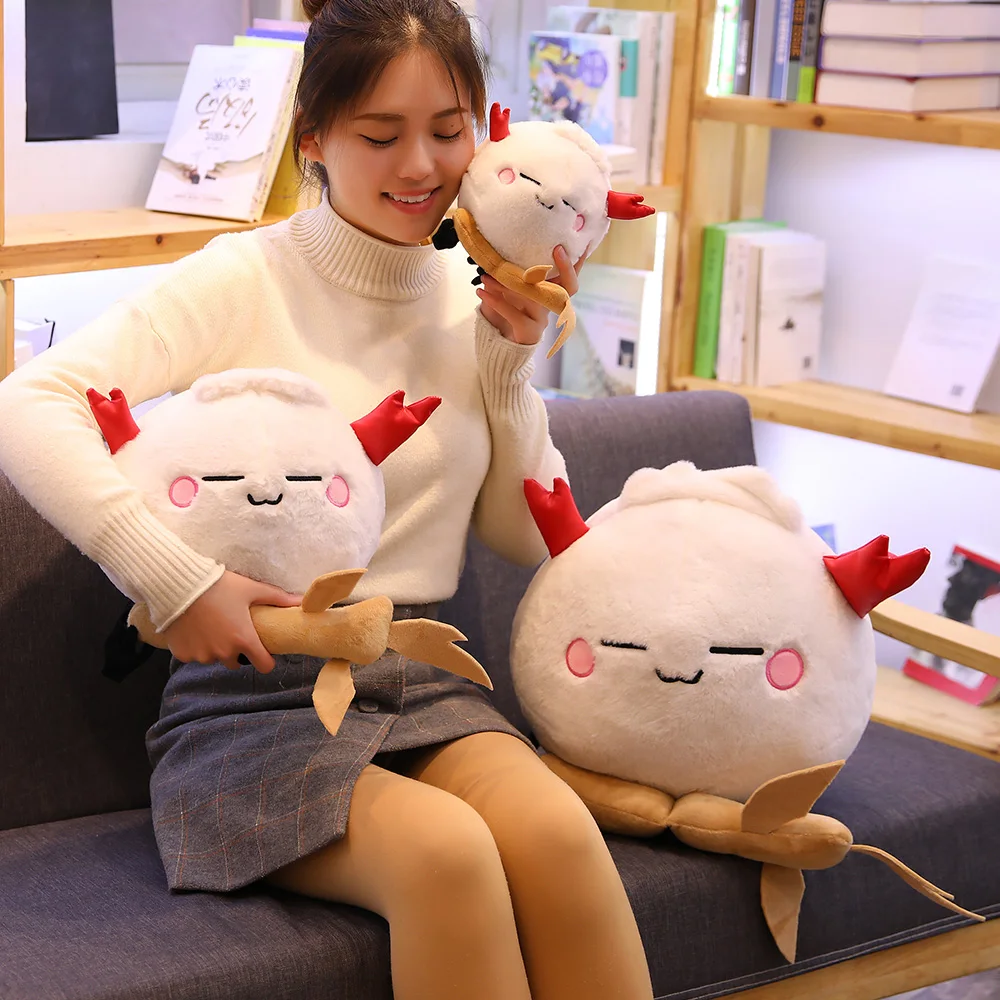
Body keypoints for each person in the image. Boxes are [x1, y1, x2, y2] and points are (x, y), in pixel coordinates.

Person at [0, 2, 654, 997]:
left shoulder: (473, 293)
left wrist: (511, 360)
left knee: (561, 835)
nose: (420, 166)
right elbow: (28, 404)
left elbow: (523, 538)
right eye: (380, 135)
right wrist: (178, 579)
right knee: (446, 856)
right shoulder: (243, 279)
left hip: (421, 680)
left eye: (448, 130)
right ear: (312, 135)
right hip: (253, 701)